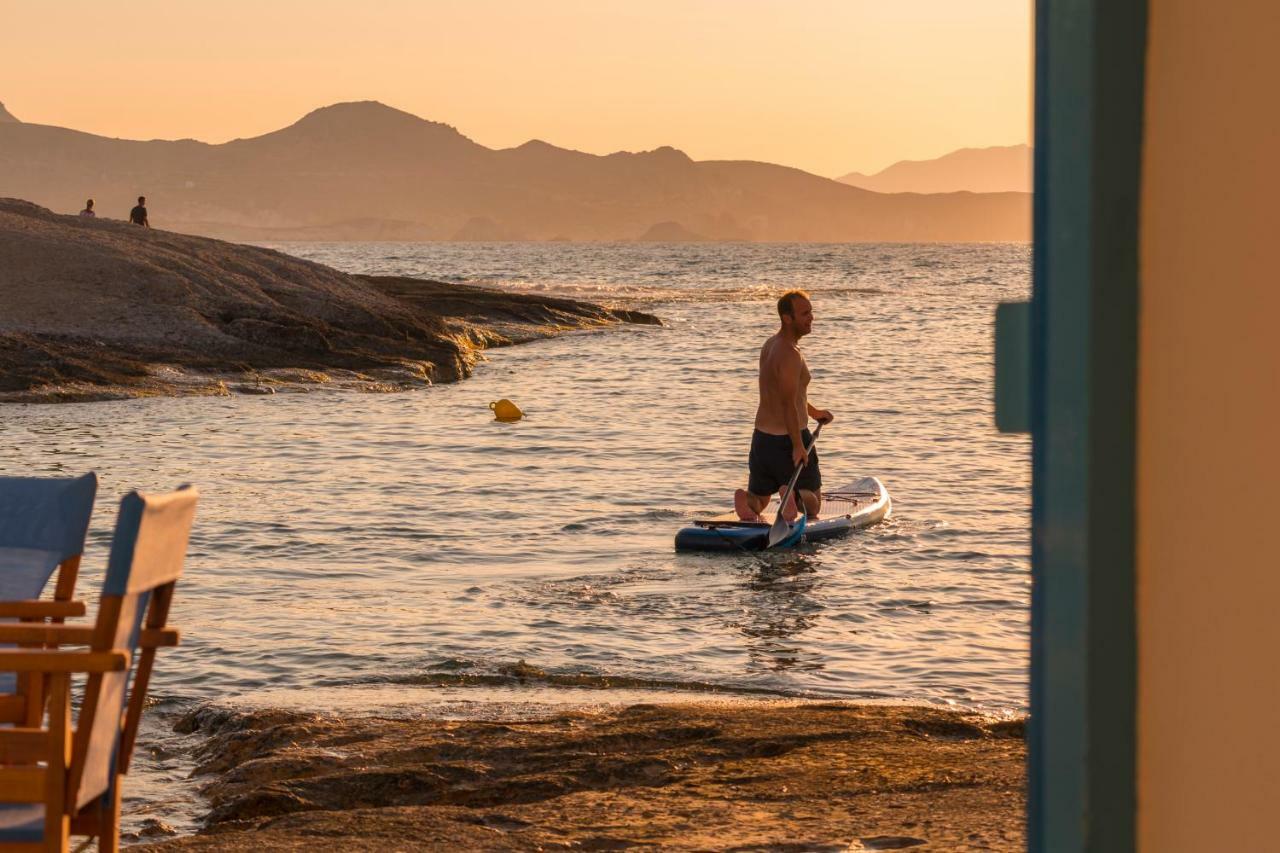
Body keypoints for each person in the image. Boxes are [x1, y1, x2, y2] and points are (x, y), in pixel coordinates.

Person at [734, 290, 833, 523]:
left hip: (762, 439)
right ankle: (794, 496)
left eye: (811, 312)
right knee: (814, 504)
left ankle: (747, 501)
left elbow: (788, 395)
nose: (811, 318)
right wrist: (798, 446)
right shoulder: (790, 354)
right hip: (788, 438)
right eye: (805, 313)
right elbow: (788, 403)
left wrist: (815, 413)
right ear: (787, 318)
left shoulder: (770, 345)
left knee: (760, 499)